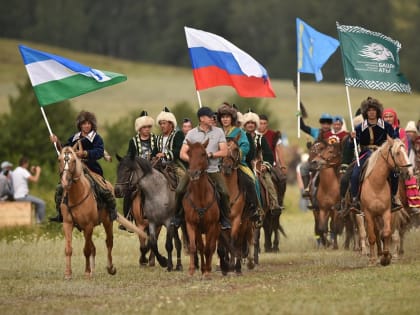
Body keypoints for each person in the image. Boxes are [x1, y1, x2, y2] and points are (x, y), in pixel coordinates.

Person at [49, 110, 118, 222]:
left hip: (91, 169)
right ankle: (60, 214)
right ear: (80, 125)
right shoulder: (74, 138)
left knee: (103, 189)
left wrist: (85, 153)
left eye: (89, 123)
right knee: (59, 188)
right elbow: (64, 149)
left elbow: (99, 152)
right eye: (84, 123)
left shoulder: (97, 138)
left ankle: (112, 211)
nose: (86, 126)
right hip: (74, 169)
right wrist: (56, 142)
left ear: (92, 125)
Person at [172, 106, 231, 229]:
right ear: (202, 118)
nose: (212, 118)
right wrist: (195, 161)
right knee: (179, 190)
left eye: (212, 117)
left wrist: (211, 154)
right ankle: (177, 217)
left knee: (224, 192)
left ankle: (225, 219)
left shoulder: (218, 132)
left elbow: (224, 151)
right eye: (209, 117)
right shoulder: (191, 133)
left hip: (212, 170)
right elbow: (182, 153)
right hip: (194, 171)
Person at [348, 97, 400, 214]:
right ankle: (355, 200)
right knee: (355, 173)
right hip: (365, 154)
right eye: (369, 110)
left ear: (377, 111)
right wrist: (352, 139)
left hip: (382, 154)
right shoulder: (359, 128)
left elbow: (395, 139)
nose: (371, 112)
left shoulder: (386, 126)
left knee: (395, 173)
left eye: (374, 110)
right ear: (365, 112)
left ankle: (393, 199)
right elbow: (351, 146)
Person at [217, 103, 261, 222]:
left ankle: (254, 208)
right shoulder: (217, 132)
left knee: (251, 179)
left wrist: (236, 156)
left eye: (227, 117)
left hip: (237, 164)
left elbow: (245, 146)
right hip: (218, 164)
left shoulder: (239, 132)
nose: (225, 119)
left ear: (232, 118)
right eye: (223, 117)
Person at [120, 110, 157, 230]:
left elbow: (158, 152)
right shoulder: (133, 141)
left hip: (154, 167)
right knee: (128, 190)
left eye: (149, 127)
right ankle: (127, 218)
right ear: (140, 128)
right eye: (144, 127)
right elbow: (130, 156)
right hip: (138, 170)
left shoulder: (156, 139)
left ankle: (171, 214)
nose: (147, 129)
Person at [243, 110, 282, 215]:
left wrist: (265, 165)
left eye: (252, 123)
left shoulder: (260, 138)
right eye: (248, 123)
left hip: (257, 166)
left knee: (268, 181)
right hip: (242, 165)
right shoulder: (240, 137)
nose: (250, 125)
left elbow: (269, 154)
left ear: (255, 124)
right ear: (245, 124)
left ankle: (274, 203)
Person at [382, 111, 420, 215]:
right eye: (386, 117)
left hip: (398, 161)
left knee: (409, 177)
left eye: (390, 116)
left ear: (394, 118)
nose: (388, 118)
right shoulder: (379, 130)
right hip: (383, 161)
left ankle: (413, 205)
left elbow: (405, 148)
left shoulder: (400, 131)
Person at [299, 113, 334, 206]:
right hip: (315, 161)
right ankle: (306, 189)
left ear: (330, 124)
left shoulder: (333, 135)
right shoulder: (315, 132)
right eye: (323, 123)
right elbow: (302, 127)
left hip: (328, 163)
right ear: (321, 123)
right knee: (303, 167)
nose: (325, 125)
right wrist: (299, 116)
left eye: (328, 123)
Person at [12, 156, 46, 223]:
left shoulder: (15, 171)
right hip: (22, 197)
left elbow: (26, 177)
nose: (28, 165)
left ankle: (37, 222)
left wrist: (32, 172)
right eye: (28, 164)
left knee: (37, 203)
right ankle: (41, 223)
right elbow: (35, 180)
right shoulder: (23, 171)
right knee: (42, 203)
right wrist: (38, 171)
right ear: (25, 163)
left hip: (16, 196)